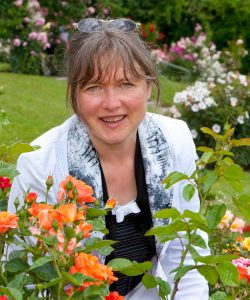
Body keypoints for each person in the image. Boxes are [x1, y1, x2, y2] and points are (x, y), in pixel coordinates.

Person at [9, 18, 210, 299]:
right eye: (94, 87)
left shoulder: (175, 141)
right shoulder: (40, 163)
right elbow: (29, 280)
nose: (112, 103)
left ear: (148, 87)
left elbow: (185, 259)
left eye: (126, 83)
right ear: (74, 94)